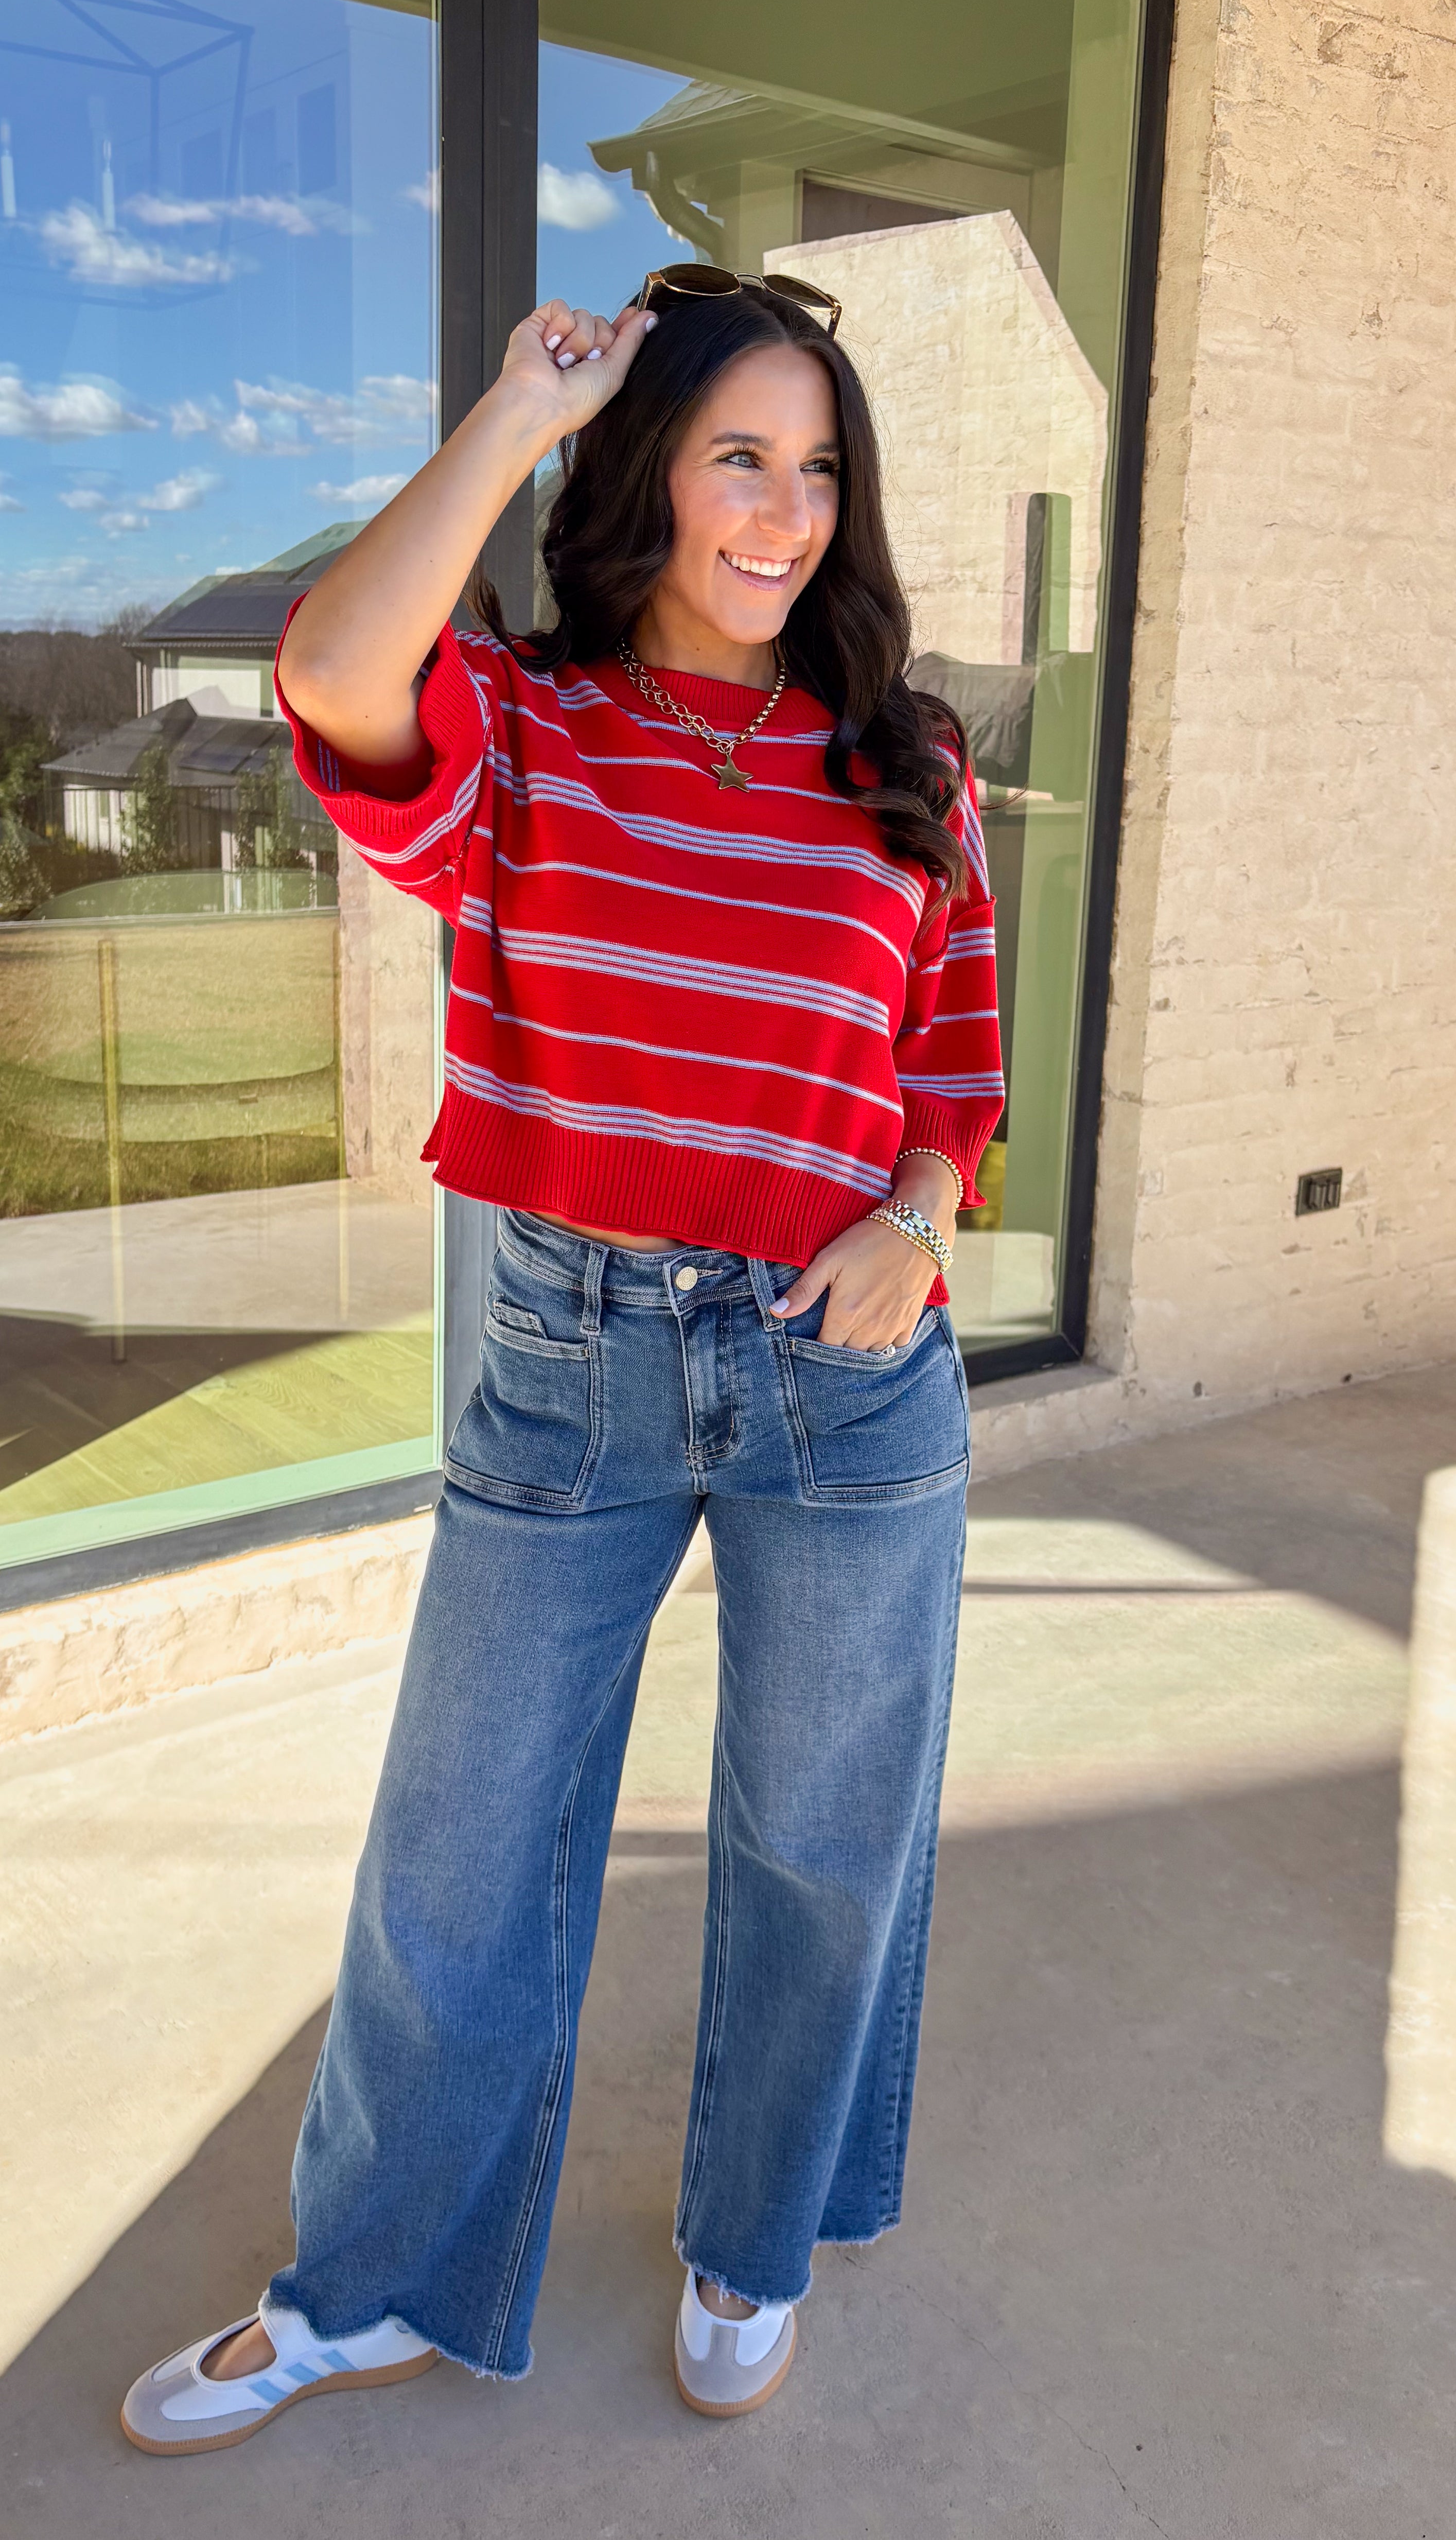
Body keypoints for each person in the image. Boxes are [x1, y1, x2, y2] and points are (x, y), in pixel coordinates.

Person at [122, 265, 1004, 2454]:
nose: (782, 514)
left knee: (825, 1842)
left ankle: (754, 2232)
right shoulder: (526, 732)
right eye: (737, 458)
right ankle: (373, 2284)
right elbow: (329, 672)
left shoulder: (906, 759)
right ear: (649, 476)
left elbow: (955, 1057)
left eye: (818, 471)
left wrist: (916, 1223)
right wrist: (521, 404)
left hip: (842, 1368)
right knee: (460, 1852)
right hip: (568, 1352)